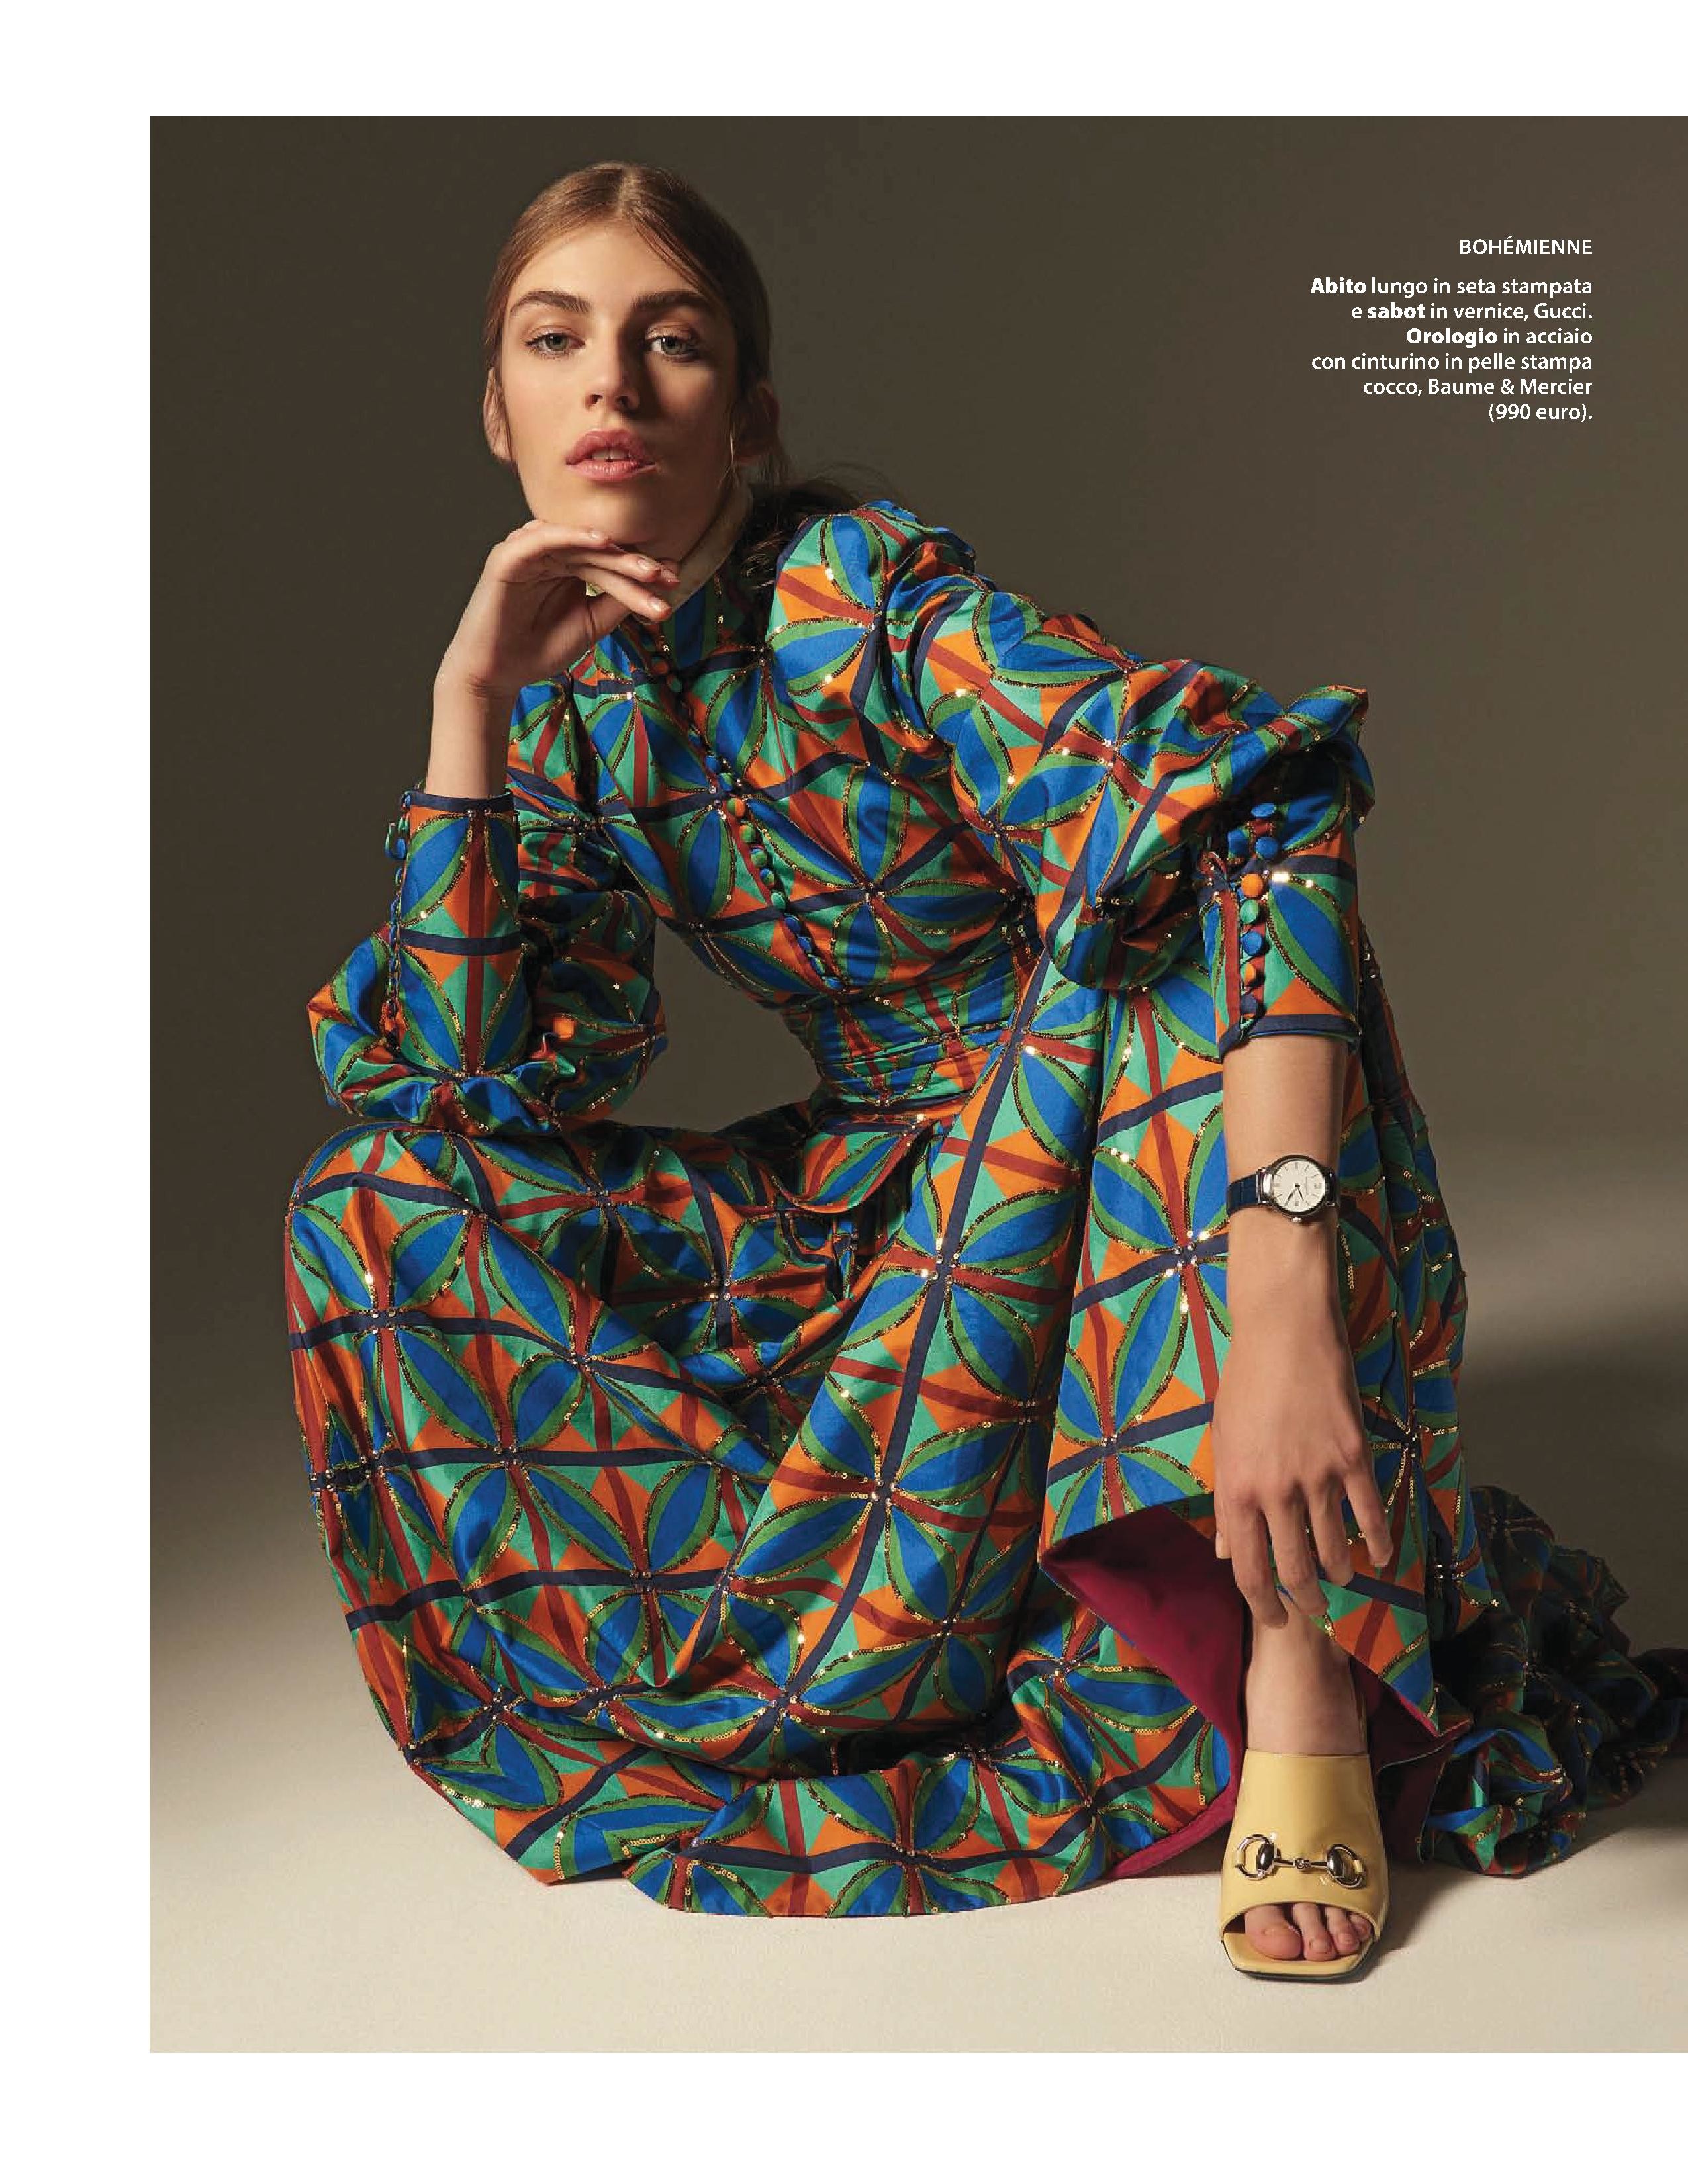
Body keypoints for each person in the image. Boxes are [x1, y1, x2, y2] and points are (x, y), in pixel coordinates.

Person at [283, 159, 1685, 1976]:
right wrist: (466, 712)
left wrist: (1280, 1297)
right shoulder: (557, 705)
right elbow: (471, 1095)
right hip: (883, 1216)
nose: (612, 381)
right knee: (375, 1199)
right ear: (500, 412)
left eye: (671, 340)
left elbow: (1257, 804)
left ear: (749, 414)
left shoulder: (860, 595)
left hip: (1121, 1148)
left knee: (1160, 908)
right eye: (557, 342)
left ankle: (1300, 1677)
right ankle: (812, 1633)